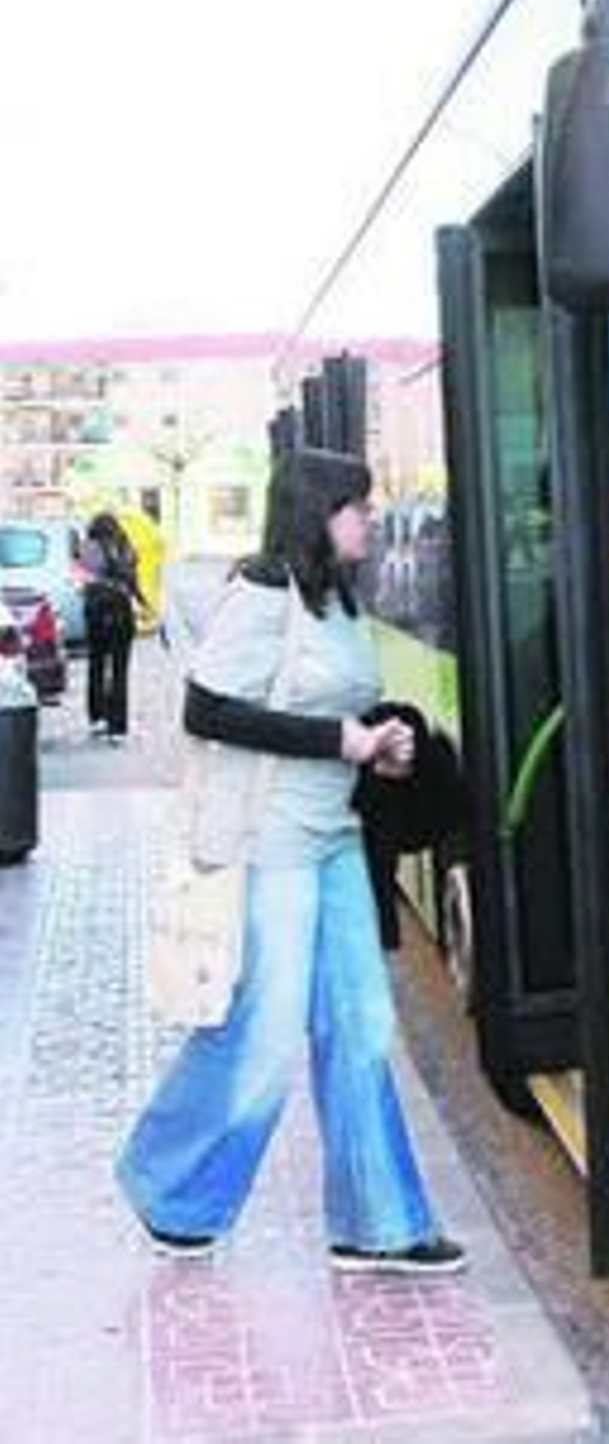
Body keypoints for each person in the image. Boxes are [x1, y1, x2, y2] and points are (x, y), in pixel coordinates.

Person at [116, 448, 466, 1276]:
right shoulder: (264, 593)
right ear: (319, 512)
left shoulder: (340, 598)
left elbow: (338, 705)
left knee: (362, 1029)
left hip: (335, 837)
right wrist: (336, 739)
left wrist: (383, 744)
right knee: (264, 1035)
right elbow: (204, 709)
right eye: (358, 506)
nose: (372, 519)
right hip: (270, 847)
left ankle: (378, 1223)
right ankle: (173, 1192)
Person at [81, 510, 145, 743]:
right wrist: (142, 602)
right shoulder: (126, 546)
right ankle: (117, 729)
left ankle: (97, 719)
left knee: (96, 665)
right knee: (120, 671)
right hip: (120, 610)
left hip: (96, 610)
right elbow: (133, 579)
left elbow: (86, 572)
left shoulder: (88, 547)